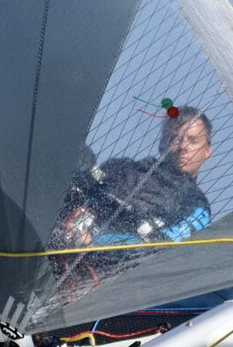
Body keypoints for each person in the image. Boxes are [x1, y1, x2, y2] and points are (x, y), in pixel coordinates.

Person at [53, 107, 215, 258]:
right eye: (175, 139)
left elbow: (162, 245)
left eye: (193, 140)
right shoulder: (123, 167)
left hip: (108, 264)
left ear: (207, 151)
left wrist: (95, 243)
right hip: (59, 229)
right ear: (163, 143)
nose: (183, 146)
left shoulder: (196, 204)